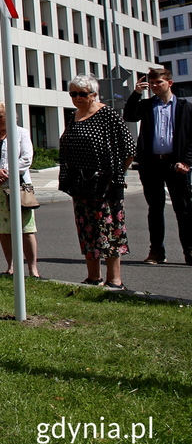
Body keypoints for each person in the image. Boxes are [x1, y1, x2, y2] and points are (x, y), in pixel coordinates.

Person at [59, 75, 135, 289]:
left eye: (82, 94)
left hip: (105, 184)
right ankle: (93, 277)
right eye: (73, 93)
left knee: (109, 230)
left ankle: (115, 280)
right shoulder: (73, 116)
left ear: (94, 94)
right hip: (80, 183)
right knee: (87, 229)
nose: (77, 97)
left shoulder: (108, 115)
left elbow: (129, 149)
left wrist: (116, 175)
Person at [123, 67, 192, 266]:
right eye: (151, 83)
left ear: (169, 83)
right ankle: (157, 252)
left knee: (184, 209)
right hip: (151, 164)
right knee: (155, 209)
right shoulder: (146, 105)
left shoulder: (185, 107)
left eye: (158, 82)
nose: (154, 86)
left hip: (176, 164)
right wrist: (136, 93)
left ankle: (189, 251)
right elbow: (129, 115)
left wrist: (187, 161)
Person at [0, 101, 40, 278]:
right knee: (3, 228)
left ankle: (32, 269)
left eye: (1, 117)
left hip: (18, 187)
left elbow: (26, 158)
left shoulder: (21, 133)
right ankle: (11, 266)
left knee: (26, 228)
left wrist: (5, 173)